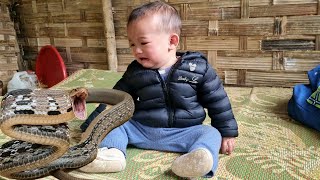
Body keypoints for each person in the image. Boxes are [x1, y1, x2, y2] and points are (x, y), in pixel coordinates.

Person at [79, 1, 238, 178]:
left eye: (143, 43)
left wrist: (227, 133)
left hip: (185, 131)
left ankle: (196, 160)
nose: (136, 50)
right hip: (142, 129)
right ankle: (112, 155)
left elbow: (218, 101)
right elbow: (115, 100)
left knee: (211, 133)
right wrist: (91, 126)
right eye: (132, 44)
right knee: (118, 123)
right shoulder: (135, 72)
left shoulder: (198, 68)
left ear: (172, 41)